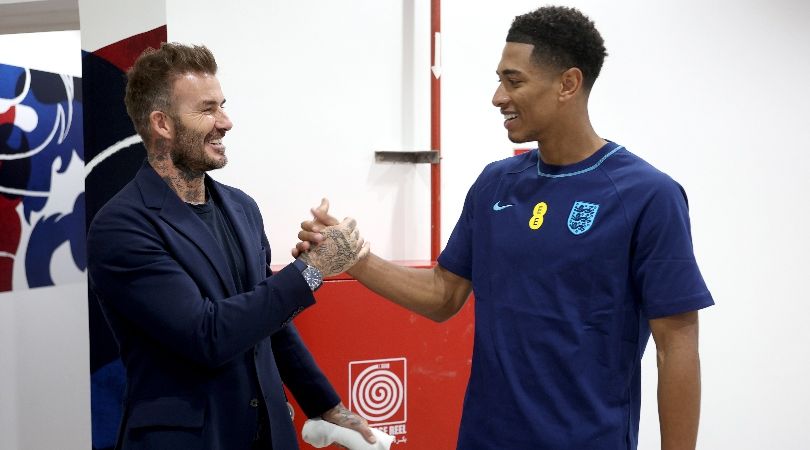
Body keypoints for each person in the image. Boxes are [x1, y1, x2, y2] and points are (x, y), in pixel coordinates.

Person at [296, 6, 714, 450]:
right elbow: (443, 296)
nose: (498, 96)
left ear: (567, 85)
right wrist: (357, 261)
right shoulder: (495, 182)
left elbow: (677, 346)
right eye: (500, 80)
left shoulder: (648, 195)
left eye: (514, 81)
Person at [87, 43, 375, 450]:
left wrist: (325, 405)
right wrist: (310, 271)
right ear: (162, 124)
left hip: (269, 436)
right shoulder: (121, 227)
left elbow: (270, 322)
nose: (226, 122)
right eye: (207, 110)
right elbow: (206, 335)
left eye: (222, 106)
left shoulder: (242, 207)